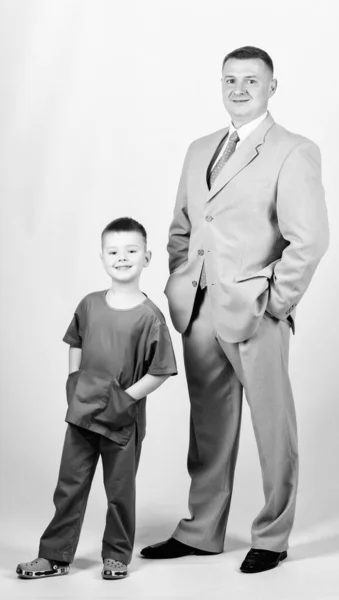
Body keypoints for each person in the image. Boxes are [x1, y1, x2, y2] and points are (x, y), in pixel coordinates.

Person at [141, 46, 329, 574]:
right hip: (200, 310)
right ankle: (201, 532)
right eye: (230, 80)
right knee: (208, 430)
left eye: (251, 80)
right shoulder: (200, 148)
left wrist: (276, 302)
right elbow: (181, 227)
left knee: (273, 430)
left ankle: (272, 536)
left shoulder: (293, 150)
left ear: (273, 86)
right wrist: (183, 278)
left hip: (256, 311)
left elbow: (309, 240)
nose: (239, 89)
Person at [16, 217, 177, 580]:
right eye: (114, 251)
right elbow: (76, 339)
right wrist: (74, 380)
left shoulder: (150, 317)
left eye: (132, 251)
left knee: (120, 492)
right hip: (83, 413)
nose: (123, 258)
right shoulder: (89, 304)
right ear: (102, 257)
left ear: (147, 257)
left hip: (121, 422)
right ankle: (55, 555)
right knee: (69, 485)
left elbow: (161, 369)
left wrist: (125, 399)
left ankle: (116, 555)